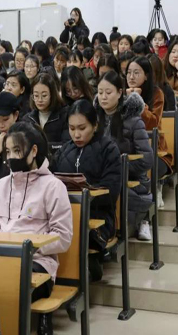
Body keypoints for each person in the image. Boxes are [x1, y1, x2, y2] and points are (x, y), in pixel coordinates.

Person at [0, 122, 73, 335]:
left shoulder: (53, 187)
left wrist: (27, 248)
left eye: (17, 151)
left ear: (33, 151)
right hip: (0, 260)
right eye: (8, 151)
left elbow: (63, 238)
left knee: (9, 288)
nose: (11, 157)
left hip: (38, 263)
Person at [50, 100, 121, 281]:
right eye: (72, 128)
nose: (76, 134)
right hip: (64, 215)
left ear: (95, 125)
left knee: (81, 232)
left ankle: (90, 262)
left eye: (82, 128)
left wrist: (84, 197)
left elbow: (110, 191)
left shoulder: (108, 149)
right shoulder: (65, 150)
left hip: (99, 216)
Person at [96, 71, 154, 240]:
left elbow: (147, 159)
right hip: (102, 180)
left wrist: (117, 167)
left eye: (108, 92)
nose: (103, 97)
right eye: (100, 93)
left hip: (132, 182)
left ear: (120, 93)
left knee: (109, 191)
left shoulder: (134, 121)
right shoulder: (94, 120)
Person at [126, 56, 174, 206]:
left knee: (145, 168)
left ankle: (147, 208)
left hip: (155, 151)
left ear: (146, 75)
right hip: (129, 150)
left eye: (136, 73)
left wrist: (137, 101)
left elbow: (153, 123)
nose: (131, 77)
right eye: (128, 72)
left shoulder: (157, 93)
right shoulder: (121, 92)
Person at [24, 73, 70, 143]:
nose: (40, 100)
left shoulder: (65, 115)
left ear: (52, 95)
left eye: (44, 95)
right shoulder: (28, 119)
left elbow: (66, 144)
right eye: (36, 96)